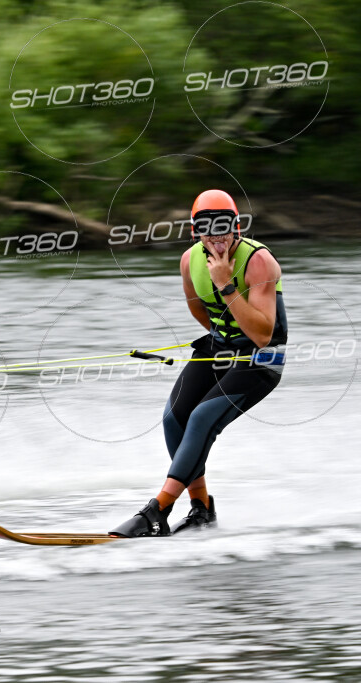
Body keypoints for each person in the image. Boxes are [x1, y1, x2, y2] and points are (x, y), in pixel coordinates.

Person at [110, 189, 288, 537]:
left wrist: (225, 284)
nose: (217, 235)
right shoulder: (188, 261)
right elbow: (198, 309)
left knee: (203, 417)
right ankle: (201, 509)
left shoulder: (259, 262)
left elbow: (263, 334)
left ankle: (157, 510)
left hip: (262, 359)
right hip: (220, 349)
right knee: (174, 418)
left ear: (236, 226)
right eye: (207, 227)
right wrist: (224, 338)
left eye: (224, 225)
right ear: (195, 231)